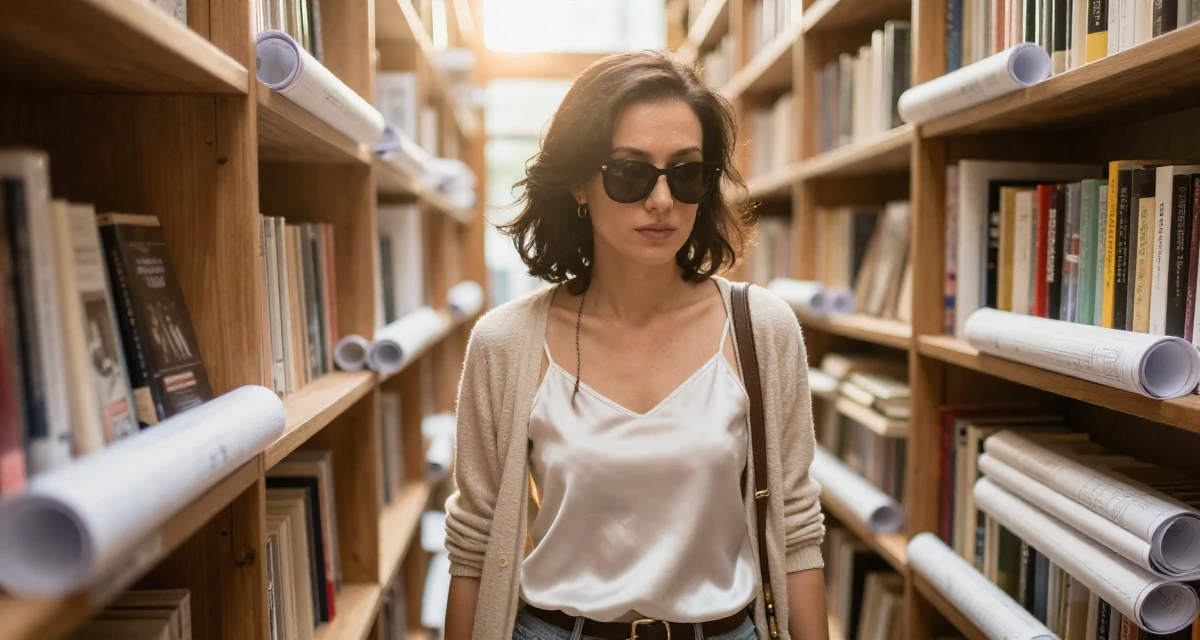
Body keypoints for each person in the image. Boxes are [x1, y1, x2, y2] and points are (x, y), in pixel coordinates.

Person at [443, 50, 828, 640]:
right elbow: (474, 543)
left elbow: (796, 531)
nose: (662, 201)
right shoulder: (505, 343)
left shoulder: (762, 330)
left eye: (687, 172)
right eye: (630, 172)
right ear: (578, 183)